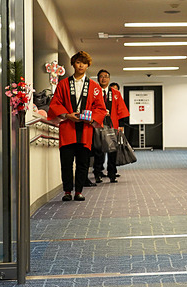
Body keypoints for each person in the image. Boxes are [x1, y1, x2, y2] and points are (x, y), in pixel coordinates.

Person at [47, 51, 107, 202]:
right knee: (66, 163)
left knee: (83, 163)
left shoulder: (94, 87)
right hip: (67, 128)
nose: (81, 65)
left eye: (84, 63)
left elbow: (100, 108)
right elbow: (55, 104)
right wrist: (67, 115)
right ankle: (67, 191)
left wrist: (91, 118)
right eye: (78, 62)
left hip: (85, 130)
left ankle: (79, 191)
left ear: (88, 65)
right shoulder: (63, 84)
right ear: (73, 64)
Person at [92, 70, 129, 184]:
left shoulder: (115, 93)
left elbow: (121, 109)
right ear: (98, 79)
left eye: (106, 77)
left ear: (109, 78)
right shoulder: (94, 92)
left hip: (112, 124)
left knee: (112, 149)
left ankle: (112, 173)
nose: (103, 79)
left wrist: (121, 125)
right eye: (101, 77)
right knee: (98, 150)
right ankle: (98, 173)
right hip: (98, 124)